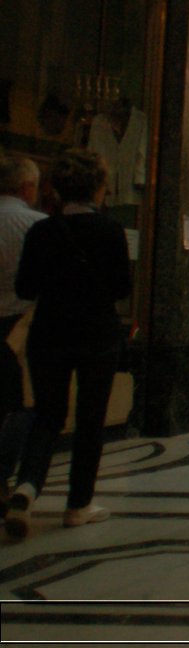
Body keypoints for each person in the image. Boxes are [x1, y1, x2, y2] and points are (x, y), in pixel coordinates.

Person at [3, 150, 129, 538]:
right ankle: (78, 505)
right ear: (98, 188)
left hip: (49, 334)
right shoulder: (110, 231)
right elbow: (122, 288)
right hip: (96, 335)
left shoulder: (42, 230)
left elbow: (25, 287)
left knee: (47, 414)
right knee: (91, 418)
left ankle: (28, 486)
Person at [0, 157, 45, 499]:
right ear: (27, 187)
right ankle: (6, 474)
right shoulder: (36, 225)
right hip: (21, 327)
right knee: (22, 403)